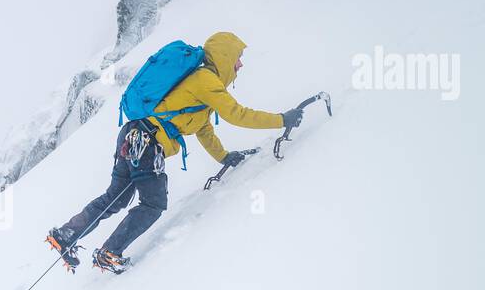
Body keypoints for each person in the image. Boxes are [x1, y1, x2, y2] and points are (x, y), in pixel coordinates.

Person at [46, 31, 304, 273]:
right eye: (238, 58)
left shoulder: (201, 87)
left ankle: (67, 234)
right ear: (225, 57)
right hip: (146, 141)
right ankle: (110, 252)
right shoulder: (206, 81)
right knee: (153, 203)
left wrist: (224, 157)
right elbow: (237, 114)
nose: (240, 65)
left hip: (133, 135)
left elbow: (204, 131)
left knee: (117, 197)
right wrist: (282, 119)